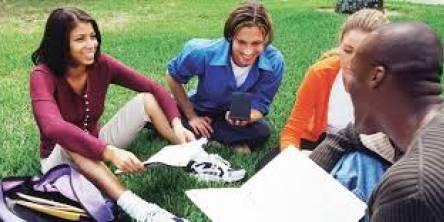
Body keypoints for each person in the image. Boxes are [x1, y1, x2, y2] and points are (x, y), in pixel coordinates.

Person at [30, 7, 193, 222]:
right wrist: (109, 152)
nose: (91, 45)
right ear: (61, 44)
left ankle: (192, 157)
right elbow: (53, 127)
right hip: (59, 160)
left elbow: (154, 88)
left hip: (97, 145)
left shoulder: (101, 64)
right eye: (80, 39)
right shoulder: (42, 75)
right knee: (71, 138)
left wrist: (177, 124)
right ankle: (140, 210)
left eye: (93, 36)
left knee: (146, 99)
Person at [310, 22, 444, 221]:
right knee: (355, 159)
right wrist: (303, 181)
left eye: (352, 76)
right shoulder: (419, 122)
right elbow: (348, 135)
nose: (348, 88)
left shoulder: (411, 189)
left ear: (376, 77)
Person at [166, 1, 284, 154]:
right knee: (165, 114)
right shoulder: (201, 52)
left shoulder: (274, 61)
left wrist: (245, 118)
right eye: (241, 42)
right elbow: (172, 77)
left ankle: (207, 138)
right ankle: (223, 139)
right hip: (201, 108)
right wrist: (192, 116)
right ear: (230, 37)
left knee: (262, 132)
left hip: (231, 119)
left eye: (256, 43)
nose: (248, 51)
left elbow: (260, 104)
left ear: (266, 39)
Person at [280, 9, 388, 151]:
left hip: (362, 150)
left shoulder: (389, 84)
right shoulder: (319, 73)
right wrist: (291, 157)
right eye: (348, 50)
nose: (353, 61)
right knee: (271, 163)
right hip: (321, 141)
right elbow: (293, 130)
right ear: (340, 46)